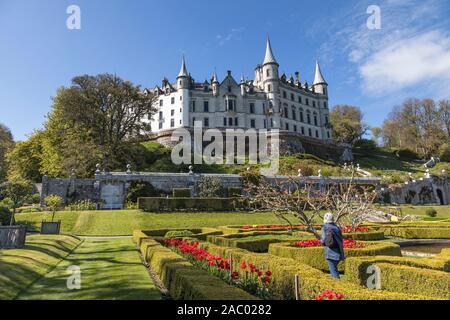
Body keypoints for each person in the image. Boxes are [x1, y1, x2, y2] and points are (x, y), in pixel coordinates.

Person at [320, 212, 345, 279]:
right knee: (334, 270)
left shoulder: (325, 227)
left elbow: (323, 240)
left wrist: (322, 242)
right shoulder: (337, 228)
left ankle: (338, 286)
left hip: (331, 253)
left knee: (334, 272)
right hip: (339, 252)